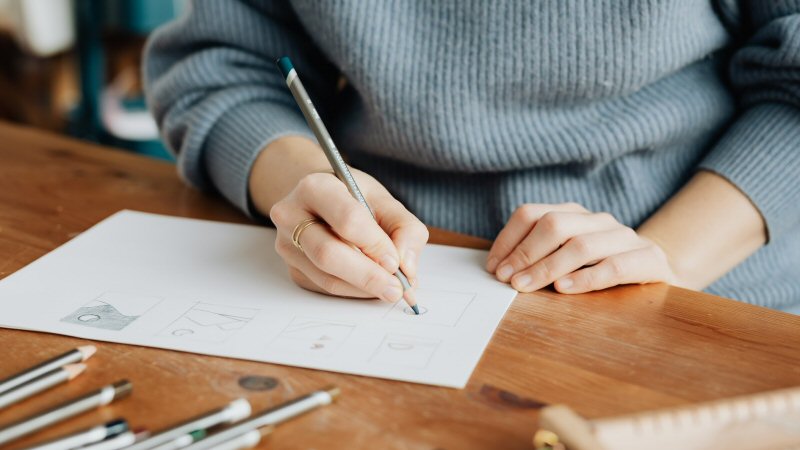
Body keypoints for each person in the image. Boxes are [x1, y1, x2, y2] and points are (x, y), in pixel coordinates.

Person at [144, 1, 800, 311]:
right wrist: (308, 186)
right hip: (384, 287)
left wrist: (671, 257)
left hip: (710, 282)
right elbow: (223, 67)